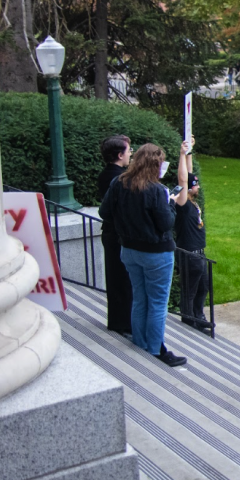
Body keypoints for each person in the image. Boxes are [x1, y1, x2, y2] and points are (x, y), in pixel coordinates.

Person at [98, 142, 186, 367]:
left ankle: (140, 342)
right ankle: (156, 349)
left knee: (139, 297)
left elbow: (104, 211)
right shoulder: (156, 190)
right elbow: (166, 223)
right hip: (156, 253)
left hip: (129, 250)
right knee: (157, 302)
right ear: (156, 164)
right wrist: (171, 204)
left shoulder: (119, 183)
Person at [97, 134, 133, 334]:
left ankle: (119, 320)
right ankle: (123, 322)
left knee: (115, 278)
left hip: (110, 233)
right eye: (128, 151)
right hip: (117, 234)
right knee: (123, 279)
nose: (130, 155)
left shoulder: (106, 174)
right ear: (120, 155)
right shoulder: (118, 179)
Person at [172, 140, 210, 332]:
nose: (198, 187)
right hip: (189, 252)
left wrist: (189, 151)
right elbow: (183, 180)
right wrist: (181, 154)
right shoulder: (183, 204)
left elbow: (189, 174)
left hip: (199, 252)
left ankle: (198, 315)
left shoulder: (192, 202)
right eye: (195, 185)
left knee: (203, 286)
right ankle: (188, 319)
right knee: (190, 289)